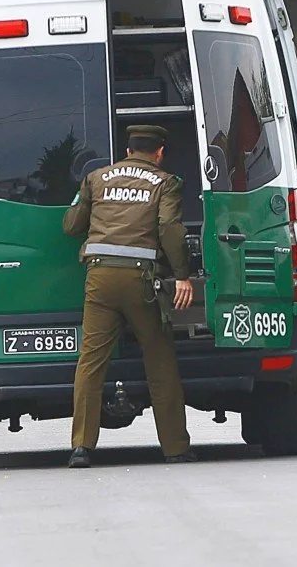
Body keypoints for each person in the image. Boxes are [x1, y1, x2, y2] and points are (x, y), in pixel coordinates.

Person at [62, 125, 196, 468]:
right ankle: (175, 448)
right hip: (141, 280)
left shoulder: (96, 178)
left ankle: (81, 447)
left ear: (127, 150)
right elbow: (169, 229)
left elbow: (72, 225)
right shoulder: (165, 182)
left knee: (91, 363)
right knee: (160, 360)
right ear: (160, 152)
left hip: (100, 278)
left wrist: (83, 197)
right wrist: (182, 275)